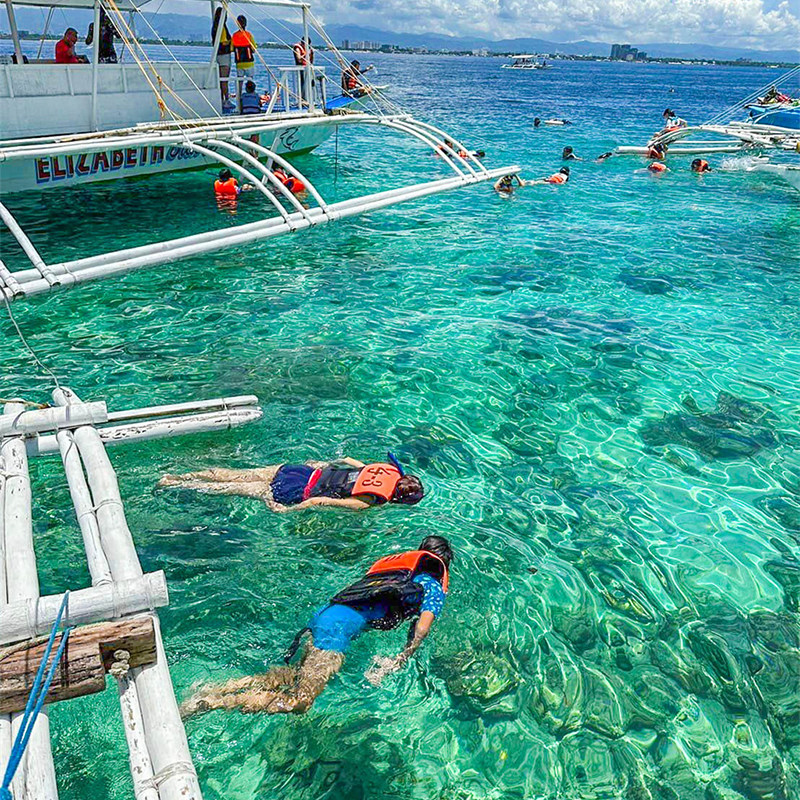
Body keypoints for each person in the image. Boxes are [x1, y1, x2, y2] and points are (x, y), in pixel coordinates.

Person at [180, 536, 453, 716]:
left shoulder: (395, 572)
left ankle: (216, 687)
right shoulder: (431, 586)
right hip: (335, 634)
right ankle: (212, 703)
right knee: (300, 701)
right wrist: (401, 658)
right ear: (444, 565)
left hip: (323, 616)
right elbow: (422, 628)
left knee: (290, 676)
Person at [158, 454, 425, 512]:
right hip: (297, 490)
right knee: (231, 489)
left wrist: (318, 464)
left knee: (235, 472)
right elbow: (320, 500)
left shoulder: (388, 470)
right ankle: (174, 484)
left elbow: (347, 460)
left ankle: (183, 475)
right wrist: (287, 510)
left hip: (301, 472)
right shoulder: (367, 501)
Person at [232, 15, 257, 110]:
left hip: (239, 64)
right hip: (249, 63)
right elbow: (254, 49)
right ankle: (252, 103)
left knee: (239, 84)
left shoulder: (234, 36)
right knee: (250, 83)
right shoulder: (249, 35)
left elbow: (231, 48)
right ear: (246, 24)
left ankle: (239, 105)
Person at [211, 7, 233, 109]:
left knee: (220, 80)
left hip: (218, 55)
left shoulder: (214, 26)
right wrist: (232, 41)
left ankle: (221, 100)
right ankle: (226, 100)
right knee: (224, 79)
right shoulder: (222, 27)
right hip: (224, 56)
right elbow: (224, 42)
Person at [293, 36, 314, 105]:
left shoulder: (309, 48)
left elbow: (311, 61)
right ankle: (302, 99)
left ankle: (309, 98)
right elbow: (298, 58)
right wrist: (306, 54)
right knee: (302, 84)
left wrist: (311, 54)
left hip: (307, 68)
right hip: (301, 68)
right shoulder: (298, 48)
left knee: (310, 83)